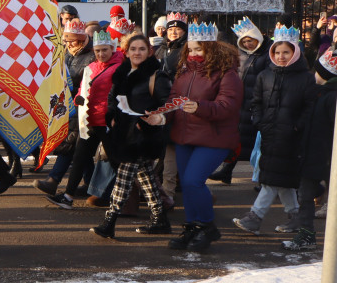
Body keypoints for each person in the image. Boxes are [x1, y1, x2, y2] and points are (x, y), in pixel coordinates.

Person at [153, 22, 242, 252]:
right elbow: (174, 100)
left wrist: (199, 107)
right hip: (184, 137)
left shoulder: (227, 73)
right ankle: (192, 227)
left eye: (198, 50)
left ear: (211, 48)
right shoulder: (184, 71)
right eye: (190, 50)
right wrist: (160, 117)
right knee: (190, 186)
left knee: (193, 181)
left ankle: (207, 226)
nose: (193, 54)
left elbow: (228, 106)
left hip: (214, 138)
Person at [232, 25, 313, 235]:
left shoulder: (305, 78)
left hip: (291, 137)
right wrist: (259, 122)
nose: (281, 56)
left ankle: (255, 217)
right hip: (269, 134)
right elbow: (256, 102)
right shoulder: (265, 76)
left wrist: (297, 126)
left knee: (271, 179)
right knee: (281, 179)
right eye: (277, 52)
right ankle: (296, 216)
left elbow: (309, 107)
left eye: (286, 52)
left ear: (295, 52)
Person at [90, 34, 172, 239]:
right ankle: (160, 219)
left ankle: (109, 221)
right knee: (146, 179)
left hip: (144, 136)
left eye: (142, 49)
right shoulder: (122, 71)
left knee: (124, 178)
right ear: (125, 51)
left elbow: (165, 103)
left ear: (149, 51)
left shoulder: (157, 75)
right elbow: (112, 98)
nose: (137, 53)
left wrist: (155, 117)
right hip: (124, 133)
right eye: (133, 49)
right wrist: (112, 117)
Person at [48, 30, 124, 208]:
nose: (100, 54)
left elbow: (121, 95)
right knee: (80, 157)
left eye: (104, 50)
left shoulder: (120, 67)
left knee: (117, 161)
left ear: (112, 49)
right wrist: (78, 99)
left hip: (108, 122)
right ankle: (67, 196)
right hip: (89, 121)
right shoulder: (91, 67)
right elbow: (82, 90)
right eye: (97, 51)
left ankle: (127, 198)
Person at [282, 46, 337, 251]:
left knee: (317, 197)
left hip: (327, 156)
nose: (313, 75)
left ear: (324, 75)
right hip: (311, 154)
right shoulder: (316, 93)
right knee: (305, 196)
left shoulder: (331, 98)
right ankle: (306, 234)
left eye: (317, 72)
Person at [35, 14, 95, 195]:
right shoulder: (66, 55)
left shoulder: (91, 58)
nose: (69, 45)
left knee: (71, 144)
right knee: (78, 147)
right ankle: (92, 184)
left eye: (74, 41)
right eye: (67, 41)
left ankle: (54, 179)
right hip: (65, 107)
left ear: (82, 40)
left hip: (82, 107)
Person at [209, 17, 270, 185]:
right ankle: (227, 171)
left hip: (256, 102)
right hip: (240, 102)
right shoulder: (240, 53)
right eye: (244, 41)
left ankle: (262, 178)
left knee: (259, 143)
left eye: (250, 40)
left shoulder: (267, 53)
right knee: (236, 139)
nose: (248, 44)